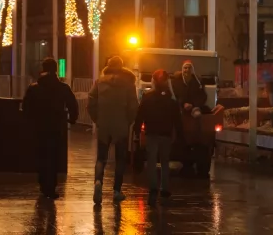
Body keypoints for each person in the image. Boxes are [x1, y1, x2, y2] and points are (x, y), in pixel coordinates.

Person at [23, 58, 79, 199]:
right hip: (56, 126)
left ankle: (43, 184)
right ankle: (51, 187)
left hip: (39, 126)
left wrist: (30, 122)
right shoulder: (63, 87)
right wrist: (72, 119)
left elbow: (26, 107)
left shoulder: (34, 88)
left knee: (41, 155)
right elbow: (73, 105)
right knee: (53, 157)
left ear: (43, 69)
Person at [88, 55, 138, 204]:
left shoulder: (99, 82)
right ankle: (116, 191)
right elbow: (133, 106)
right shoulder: (129, 84)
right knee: (120, 159)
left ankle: (98, 182)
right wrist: (128, 121)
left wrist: (97, 119)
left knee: (101, 158)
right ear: (122, 67)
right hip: (121, 124)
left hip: (104, 124)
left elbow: (91, 102)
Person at [134, 69, 184, 205]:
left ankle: (153, 187)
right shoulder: (171, 99)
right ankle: (165, 188)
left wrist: (137, 129)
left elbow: (140, 113)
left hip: (151, 133)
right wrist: (180, 134)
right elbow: (177, 119)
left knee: (151, 161)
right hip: (166, 134)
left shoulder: (147, 96)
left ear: (154, 81)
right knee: (165, 161)